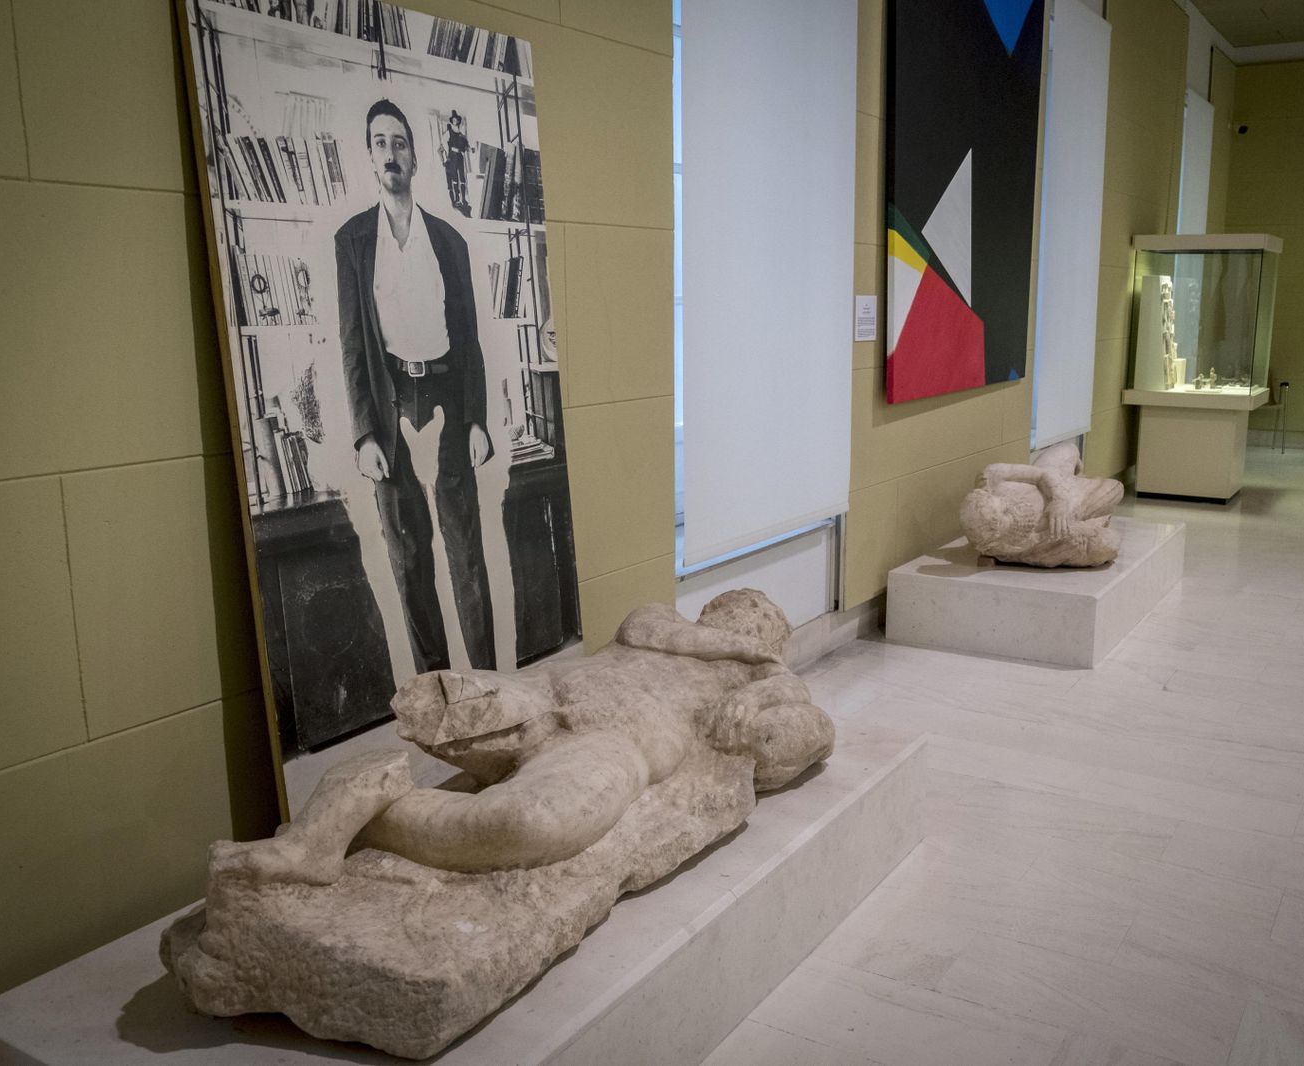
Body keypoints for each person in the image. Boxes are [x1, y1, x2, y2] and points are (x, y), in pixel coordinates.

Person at [210, 589, 836, 881]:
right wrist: (752, 658)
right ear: (714, 613)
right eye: (740, 611)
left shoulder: (765, 686)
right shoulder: (664, 624)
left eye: (761, 621)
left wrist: (770, 686)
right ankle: (320, 834)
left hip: (617, 744)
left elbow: (791, 743)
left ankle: (358, 812)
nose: (748, 622)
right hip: (548, 695)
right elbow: (653, 626)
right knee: (437, 701)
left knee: (527, 824)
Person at [335, 98, 496, 673]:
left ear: (415, 155)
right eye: (380, 143)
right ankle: (437, 691)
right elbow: (353, 345)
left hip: (449, 398)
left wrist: (477, 419)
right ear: (370, 157)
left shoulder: (448, 242)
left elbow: (470, 338)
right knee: (409, 560)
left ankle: (488, 686)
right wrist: (363, 436)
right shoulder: (353, 242)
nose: (390, 153)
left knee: (465, 552)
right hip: (390, 405)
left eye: (399, 142)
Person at [959, 440, 1123, 567]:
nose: (1009, 506)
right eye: (1005, 515)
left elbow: (1040, 474)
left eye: (1002, 503)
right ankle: (1083, 484)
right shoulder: (1024, 545)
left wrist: (1058, 500)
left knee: (1069, 448)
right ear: (998, 538)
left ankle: (1079, 477)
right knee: (1116, 488)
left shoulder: (991, 477)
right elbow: (1107, 544)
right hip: (1077, 501)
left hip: (1050, 477)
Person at [441, 110, 471, 216]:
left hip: (460, 157)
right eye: (453, 120)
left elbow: (466, 146)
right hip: (452, 156)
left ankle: (463, 199)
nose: (455, 121)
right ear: (452, 121)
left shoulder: (461, 134)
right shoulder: (449, 132)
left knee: (462, 178)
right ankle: (457, 199)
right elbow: (443, 142)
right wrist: (447, 154)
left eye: (456, 120)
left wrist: (468, 149)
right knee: (454, 179)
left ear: (458, 121)